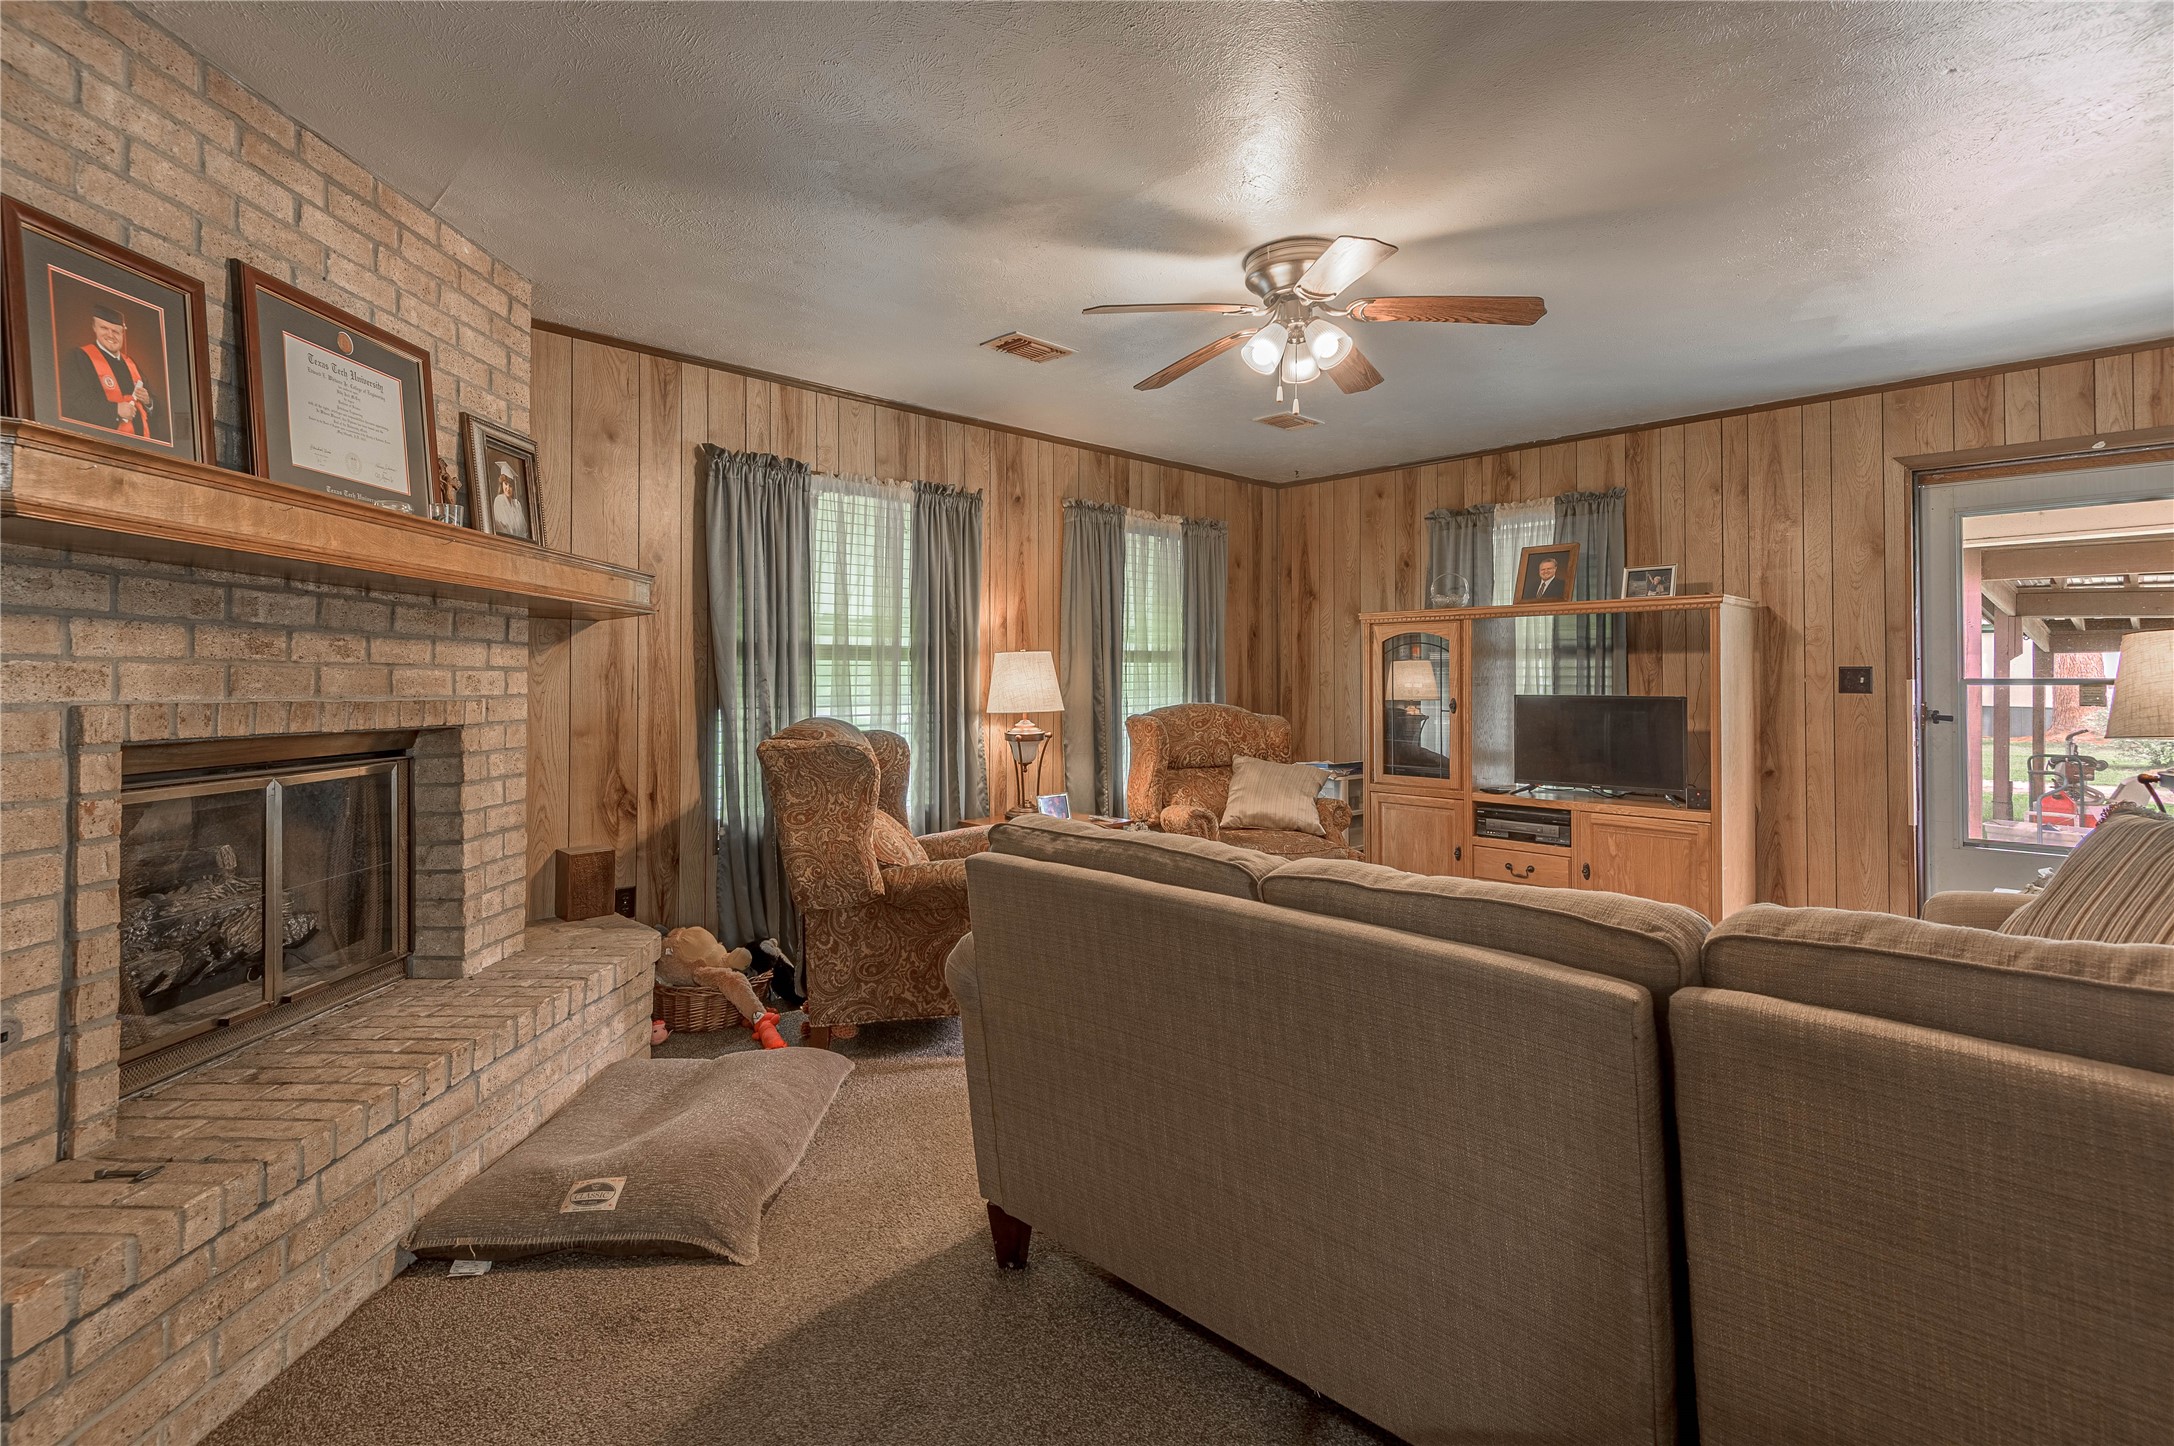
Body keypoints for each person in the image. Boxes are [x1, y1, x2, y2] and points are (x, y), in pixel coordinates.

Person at [59, 303, 164, 441]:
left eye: (116, 331)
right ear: (94, 328)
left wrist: (148, 401)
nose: (110, 335)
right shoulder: (79, 357)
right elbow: (73, 403)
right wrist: (115, 411)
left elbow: (158, 410)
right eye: (104, 328)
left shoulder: (131, 363)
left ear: (122, 333)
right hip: (102, 445)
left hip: (141, 446)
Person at [489, 462, 530, 538]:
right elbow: (502, 527)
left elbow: (523, 528)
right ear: (502, 484)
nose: (508, 488)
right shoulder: (499, 501)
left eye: (510, 485)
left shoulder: (517, 504)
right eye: (505, 484)